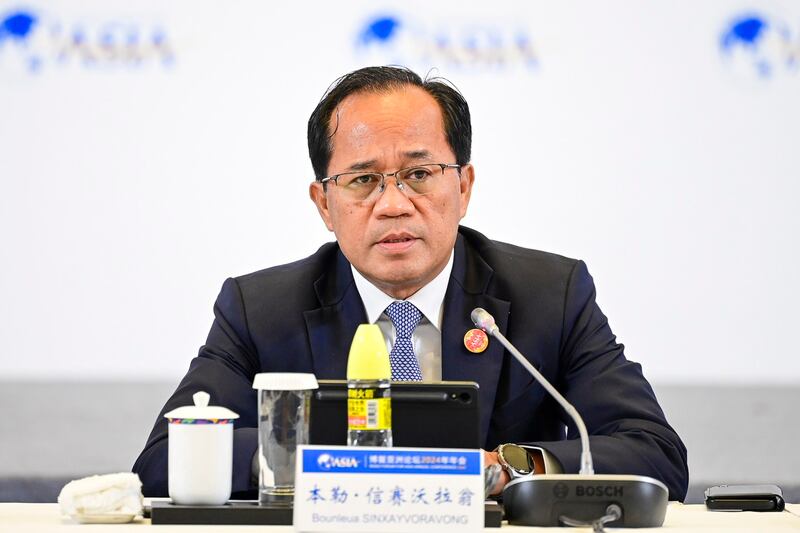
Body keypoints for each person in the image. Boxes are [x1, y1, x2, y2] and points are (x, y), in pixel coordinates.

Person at [133, 66, 689, 501]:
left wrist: (507, 466)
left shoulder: (551, 294)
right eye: (362, 180)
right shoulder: (259, 309)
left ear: (464, 186)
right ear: (325, 203)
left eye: (420, 175)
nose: (394, 204)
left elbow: (654, 453)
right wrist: (346, 464)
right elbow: (162, 462)